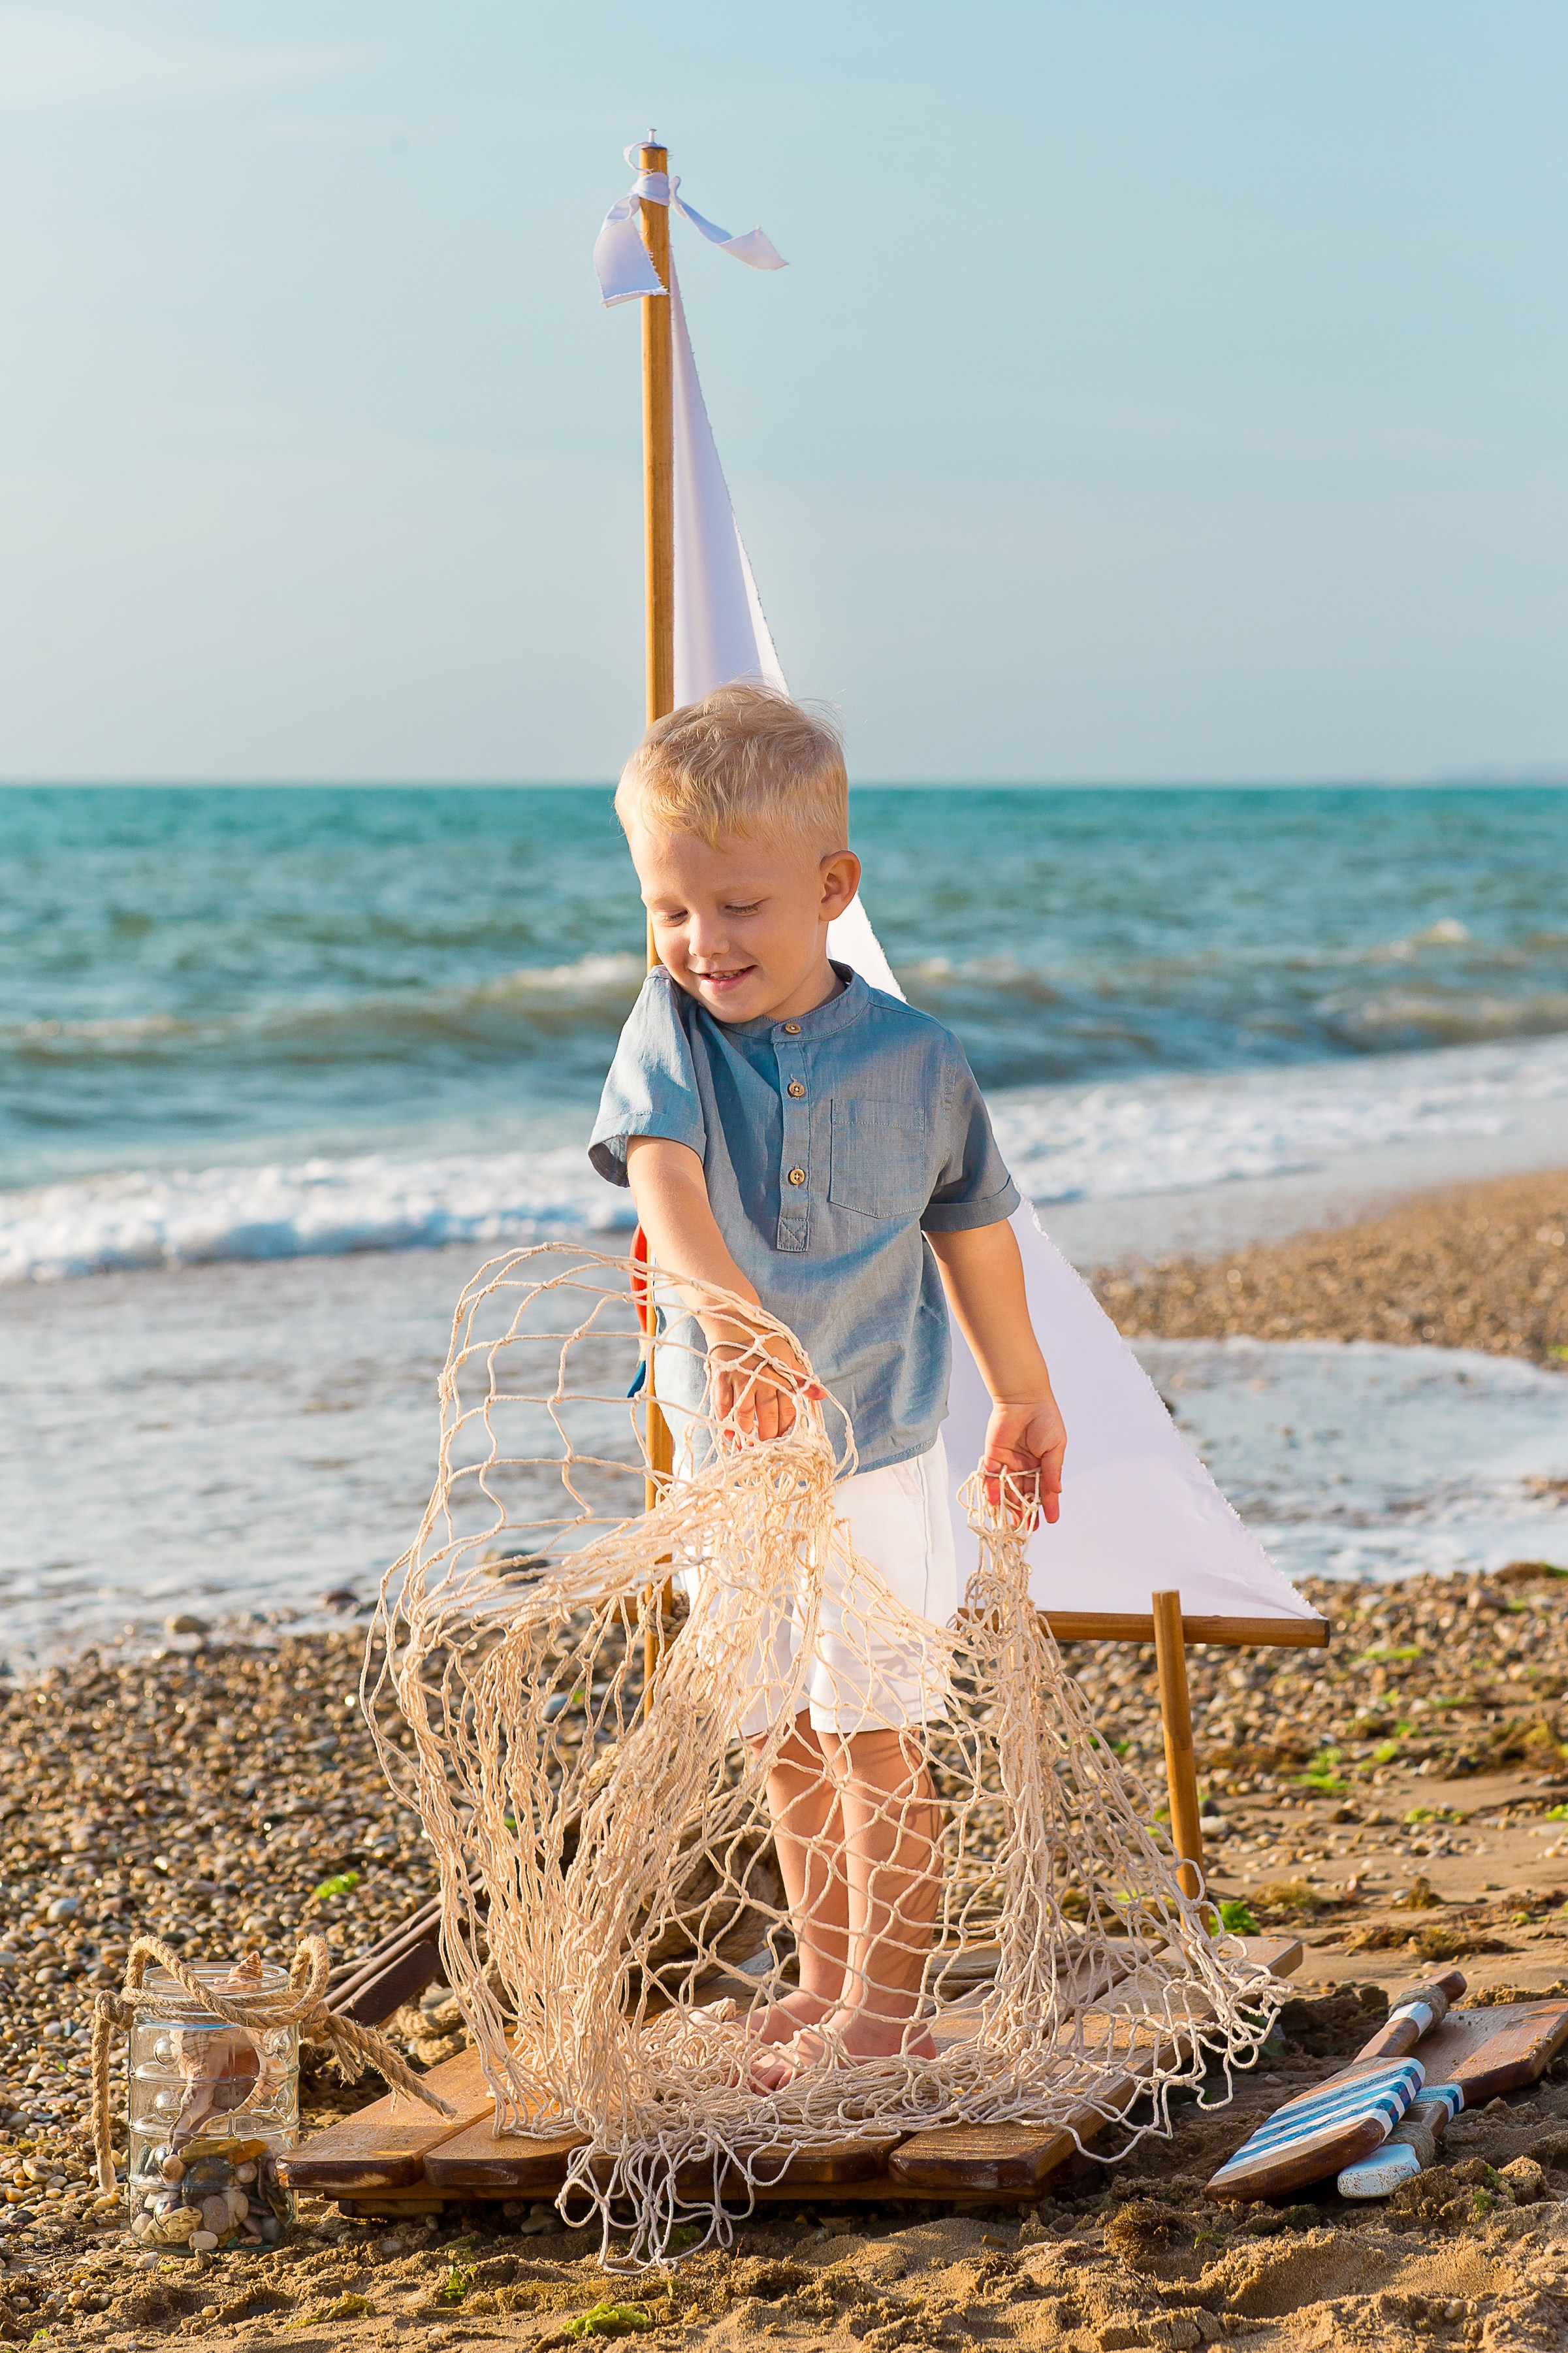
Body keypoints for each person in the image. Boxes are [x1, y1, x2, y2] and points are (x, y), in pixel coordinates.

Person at [589, 681, 1066, 2085]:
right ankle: (820, 1973)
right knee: (779, 1725)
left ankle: (887, 2003)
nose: (700, 942)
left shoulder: (922, 1060)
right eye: (670, 910)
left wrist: (1022, 1392)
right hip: (730, 1464)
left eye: (736, 906)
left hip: (883, 1447)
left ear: (830, 886)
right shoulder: (666, 1032)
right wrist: (728, 1320)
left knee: (872, 1727)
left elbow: (971, 1230)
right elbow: (665, 1182)